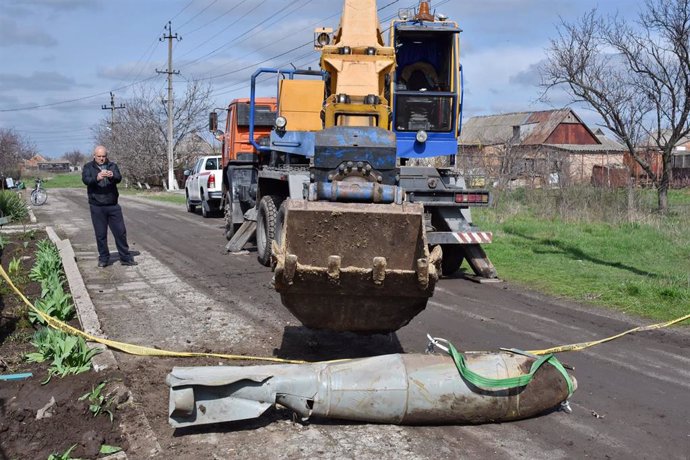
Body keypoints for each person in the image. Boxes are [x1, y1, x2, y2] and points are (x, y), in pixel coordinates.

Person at [82, 145, 137, 267]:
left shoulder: (112, 166)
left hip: (113, 205)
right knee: (101, 234)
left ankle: (125, 257)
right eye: (99, 156)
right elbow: (86, 180)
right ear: (94, 156)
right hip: (97, 206)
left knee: (120, 232)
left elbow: (119, 178)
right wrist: (97, 177)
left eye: (104, 156)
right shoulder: (88, 167)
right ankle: (104, 258)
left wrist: (112, 175)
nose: (101, 159)